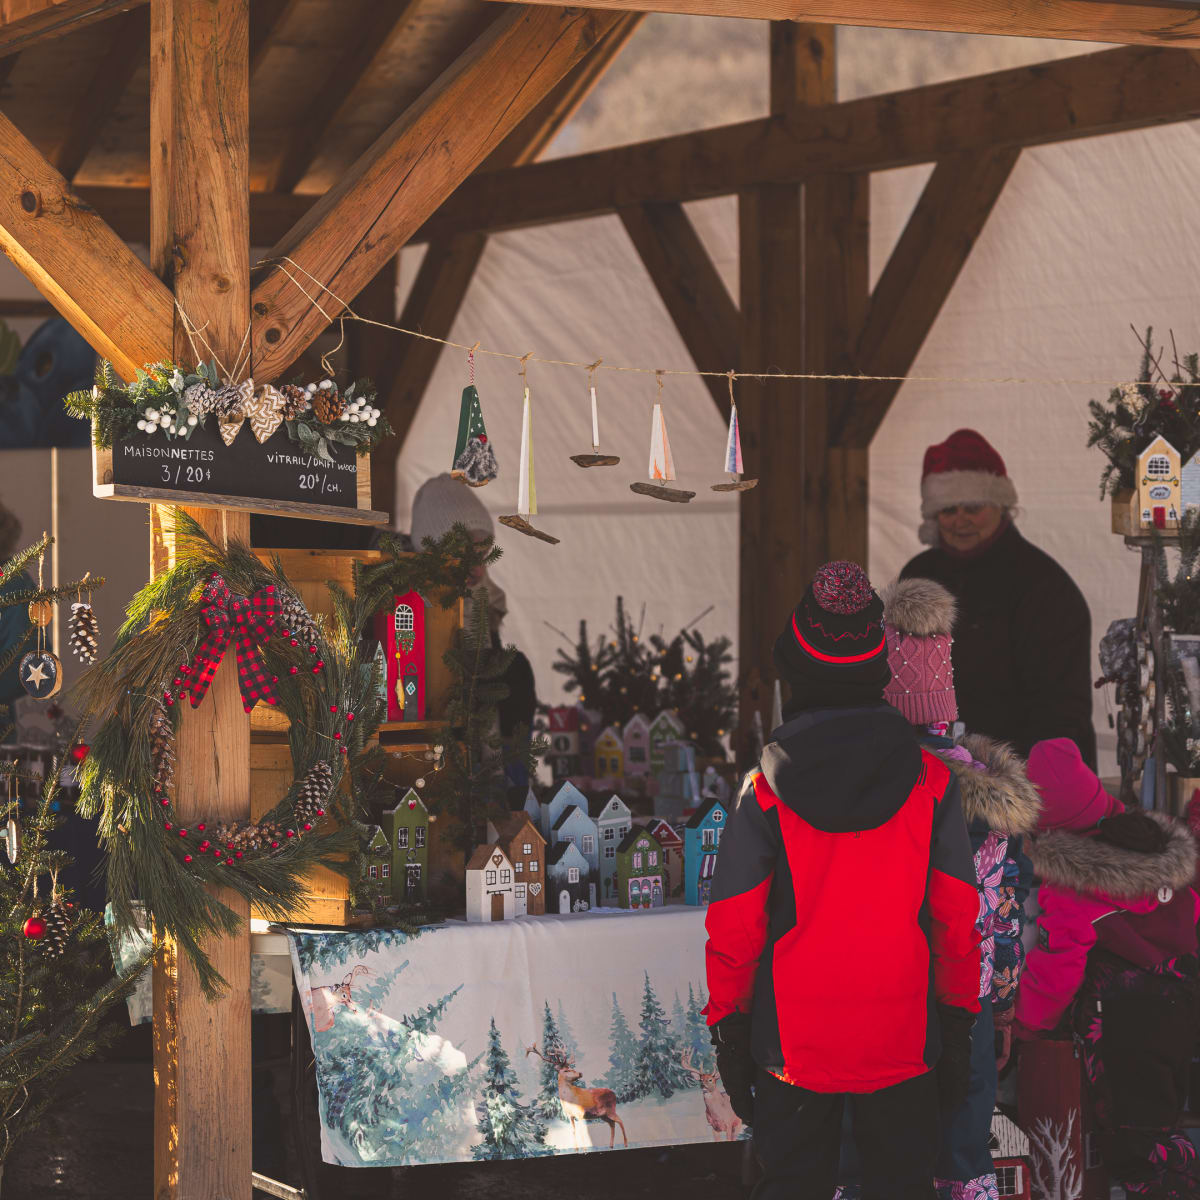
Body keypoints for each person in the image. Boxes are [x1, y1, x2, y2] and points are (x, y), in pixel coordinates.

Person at [704, 561, 982, 1200]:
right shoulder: (931, 784)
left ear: (793, 677)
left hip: (794, 1046)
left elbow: (735, 925)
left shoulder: (765, 791)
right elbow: (956, 919)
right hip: (904, 1036)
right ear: (877, 670)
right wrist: (959, 1022)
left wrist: (731, 1029)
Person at [880, 577, 1040, 1200]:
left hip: (879, 995)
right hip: (964, 999)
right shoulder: (986, 802)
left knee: (878, 1145)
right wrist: (1002, 1003)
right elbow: (1001, 910)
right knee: (962, 1144)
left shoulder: (856, 787)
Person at [1016, 738, 1200, 1199]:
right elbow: (1191, 910)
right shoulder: (1155, 845)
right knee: (1161, 1114)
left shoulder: (1072, 880)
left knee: (1131, 1133)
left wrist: (1027, 1023)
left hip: (1123, 1018)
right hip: (1181, 996)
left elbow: (1060, 962)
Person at [900, 429, 1097, 768]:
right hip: (932, 771)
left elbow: (1060, 711)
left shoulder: (1042, 585)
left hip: (1019, 777)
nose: (960, 520)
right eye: (948, 510)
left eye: (973, 507)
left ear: (1000, 505)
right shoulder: (918, 577)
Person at [409, 474, 536, 783]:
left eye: (482, 552)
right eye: (464, 552)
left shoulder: (485, 599)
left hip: (490, 757)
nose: (477, 567)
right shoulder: (408, 606)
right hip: (432, 750)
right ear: (433, 548)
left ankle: (511, 796)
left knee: (516, 670)